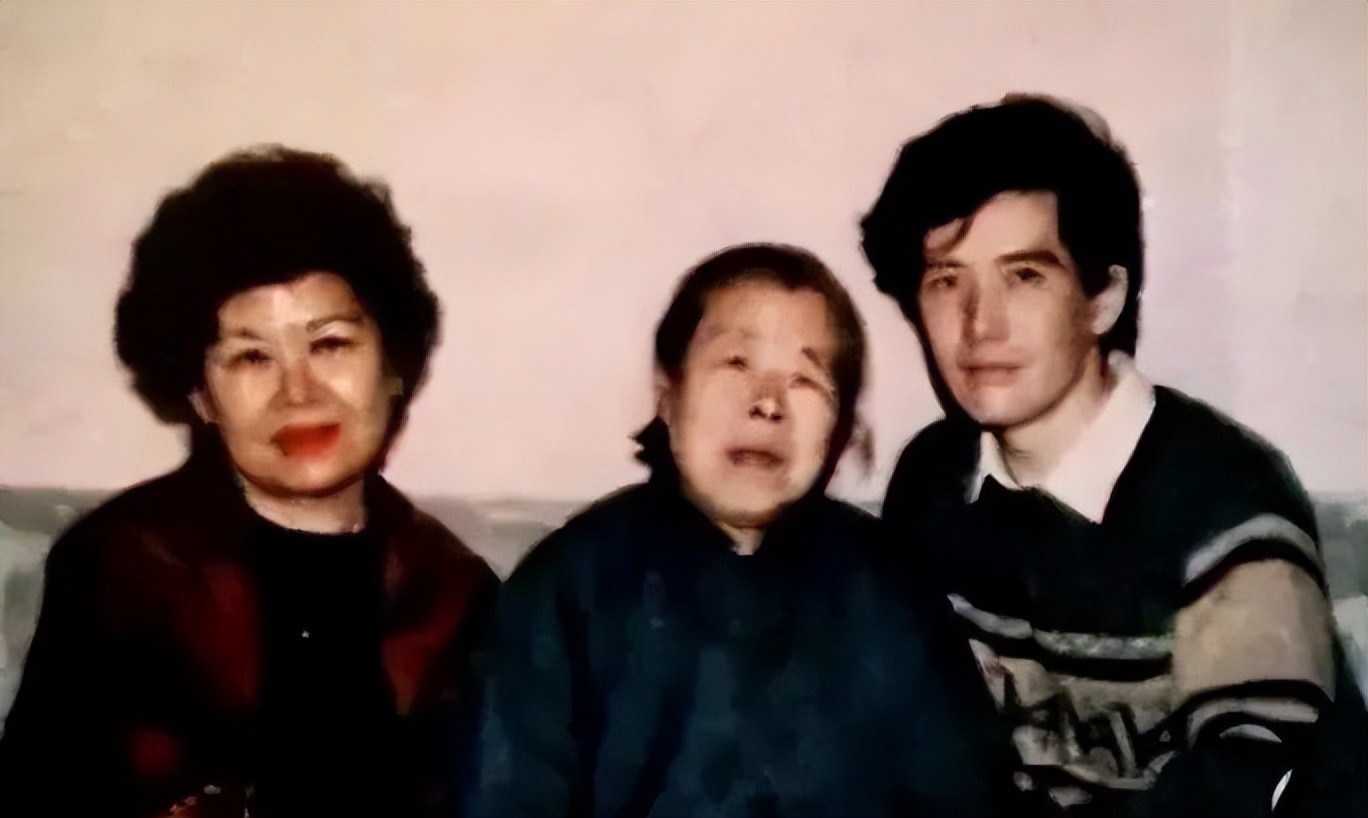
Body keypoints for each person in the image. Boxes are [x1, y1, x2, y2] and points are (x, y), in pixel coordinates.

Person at [859, 94, 1367, 816]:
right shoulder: (932, 482)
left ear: (1103, 298)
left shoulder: (1225, 499)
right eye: (947, 280)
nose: (979, 324)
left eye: (1024, 276)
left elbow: (1245, 786)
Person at [0, 146, 497, 818]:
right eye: (251, 357)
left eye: (330, 344)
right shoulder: (122, 568)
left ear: (393, 367)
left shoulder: (456, 594)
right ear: (200, 394)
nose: (299, 392)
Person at [450, 243, 1014, 816]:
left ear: (840, 427)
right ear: (667, 394)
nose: (767, 404)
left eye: (805, 379)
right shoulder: (566, 591)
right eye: (736, 364)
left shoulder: (890, 593)